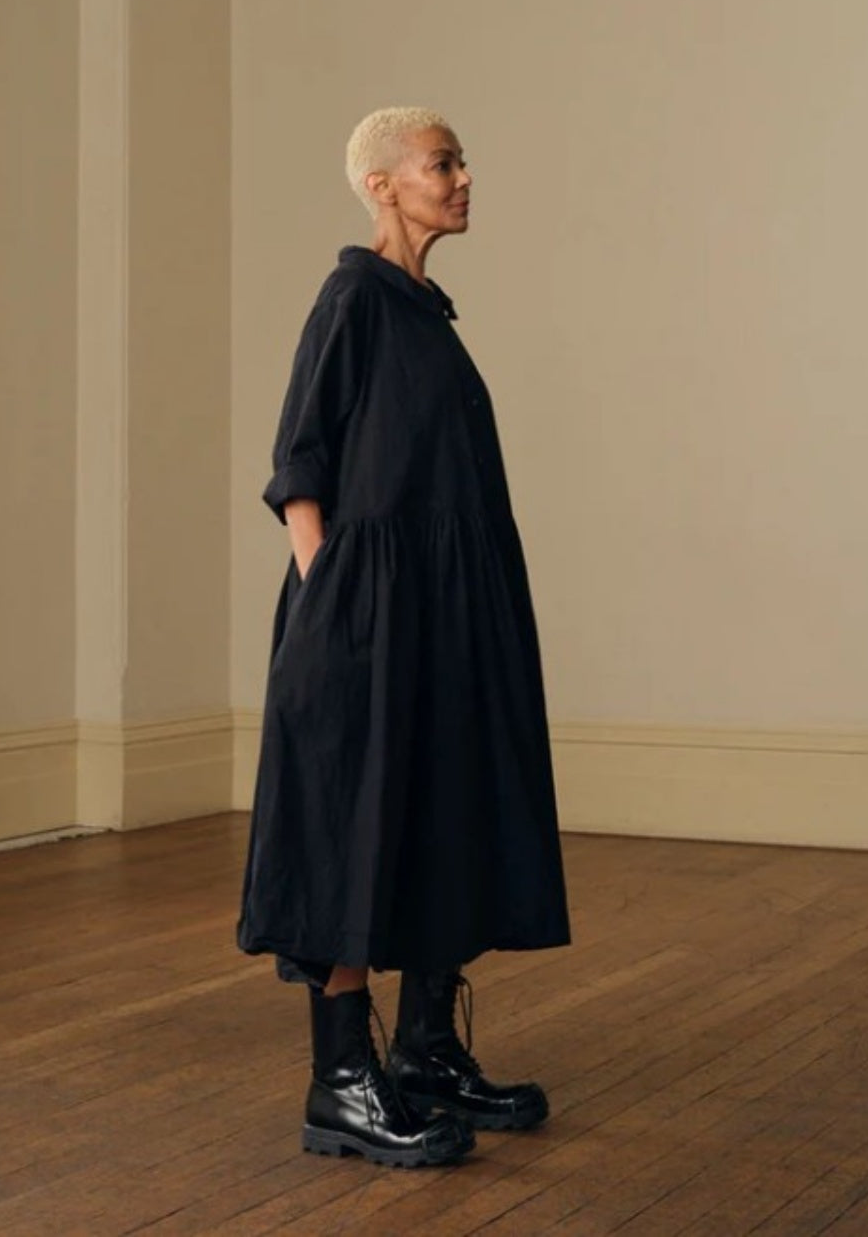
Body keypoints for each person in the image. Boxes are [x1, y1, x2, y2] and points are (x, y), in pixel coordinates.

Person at [237, 107, 570, 1169]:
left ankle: (424, 1052)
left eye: (463, 161)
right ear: (382, 184)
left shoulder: (427, 314)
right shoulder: (355, 299)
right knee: (351, 824)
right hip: (367, 615)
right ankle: (341, 1082)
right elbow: (301, 461)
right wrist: (331, 599)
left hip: (446, 612)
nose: (464, 177)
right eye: (442, 162)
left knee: (447, 806)